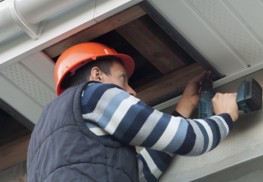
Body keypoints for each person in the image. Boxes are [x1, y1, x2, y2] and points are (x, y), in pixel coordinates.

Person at [27, 42, 238, 182]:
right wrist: (225, 117)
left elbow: (135, 174)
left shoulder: (39, 142)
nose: (132, 91)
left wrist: (183, 109)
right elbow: (191, 141)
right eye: (123, 79)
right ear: (97, 75)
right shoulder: (94, 94)